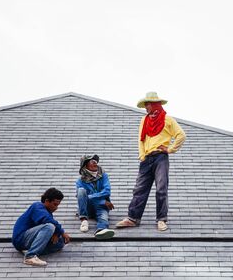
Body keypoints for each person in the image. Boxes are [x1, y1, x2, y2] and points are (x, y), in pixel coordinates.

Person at [116, 92, 186, 231]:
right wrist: (142, 155)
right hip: (147, 158)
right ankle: (132, 218)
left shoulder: (168, 119)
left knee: (161, 189)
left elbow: (181, 135)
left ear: (154, 104)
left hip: (160, 157)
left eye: (147, 104)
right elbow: (141, 139)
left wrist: (170, 149)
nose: (145, 107)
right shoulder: (145, 120)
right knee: (139, 189)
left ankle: (161, 219)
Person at [12, 188, 70, 266]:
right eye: (54, 204)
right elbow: (46, 220)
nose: (56, 208)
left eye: (58, 205)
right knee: (49, 227)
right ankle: (30, 256)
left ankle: (29, 250)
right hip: (21, 238)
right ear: (46, 201)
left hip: (28, 240)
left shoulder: (47, 212)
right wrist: (61, 232)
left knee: (60, 241)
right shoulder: (37, 206)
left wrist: (57, 234)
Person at [76, 154, 115, 239]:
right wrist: (103, 201)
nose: (95, 163)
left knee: (104, 218)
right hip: (88, 207)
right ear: (85, 165)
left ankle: (101, 231)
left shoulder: (103, 175)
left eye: (96, 161)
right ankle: (84, 220)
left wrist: (90, 197)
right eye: (92, 161)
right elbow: (82, 198)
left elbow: (107, 191)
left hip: (101, 206)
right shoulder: (80, 181)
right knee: (81, 191)